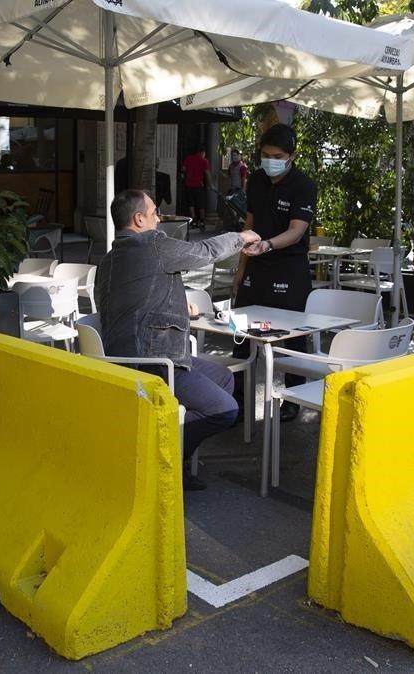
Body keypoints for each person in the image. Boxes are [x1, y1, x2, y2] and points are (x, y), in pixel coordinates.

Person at [97, 189, 263, 490]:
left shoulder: (108, 261)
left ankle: (178, 463)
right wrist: (242, 237)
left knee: (224, 377)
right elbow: (203, 252)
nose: (159, 219)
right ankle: (160, 461)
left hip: (121, 357)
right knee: (225, 409)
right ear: (139, 219)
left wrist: (176, 307)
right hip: (154, 359)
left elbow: (134, 301)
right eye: (154, 213)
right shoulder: (151, 244)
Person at [232, 124, 318, 422]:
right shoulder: (255, 180)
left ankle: (294, 398)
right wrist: (240, 269)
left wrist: (267, 244)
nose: (271, 160)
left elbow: (296, 232)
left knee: (293, 337)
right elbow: (250, 222)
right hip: (256, 266)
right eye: (266, 155)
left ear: (292, 156)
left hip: (289, 269)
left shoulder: (303, 185)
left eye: (278, 155)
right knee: (240, 334)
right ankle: (238, 400)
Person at [180, 148, 211, 225]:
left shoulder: (188, 159)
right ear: (203, 153)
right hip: (199, 185)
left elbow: (183, 169)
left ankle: (193, 219)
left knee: (191, 203)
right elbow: (207, 174)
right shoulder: (204, 161)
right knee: (201, 204)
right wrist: (209, 184)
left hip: (189, 184)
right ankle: (202, 220)